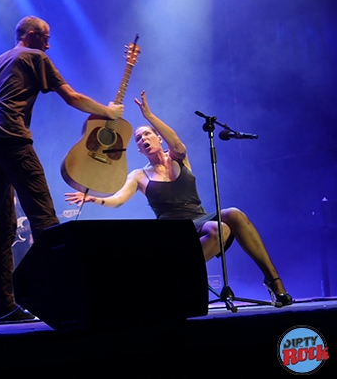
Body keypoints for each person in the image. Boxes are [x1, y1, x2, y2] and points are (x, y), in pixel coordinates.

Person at [65, 91, 293, 307]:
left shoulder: (178, 158)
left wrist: (149, 116)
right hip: (172, 228)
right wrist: (92, 198)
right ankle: (175, 278)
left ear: (158, 139)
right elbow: (117, 199)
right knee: (219, 230)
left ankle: (274, 281)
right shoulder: (138, 175)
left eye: (147, 134)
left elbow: (176, 143)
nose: (143, 138)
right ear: (138, 150)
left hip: (198, 216)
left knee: (233, 214)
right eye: (138, 138)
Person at [0, 15, 124, 322]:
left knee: (3, 224)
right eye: (45, 36)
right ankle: (62, 299)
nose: (49, 44)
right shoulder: (35, 57)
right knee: (45, 219)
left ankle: (3, 305)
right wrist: (108, 111)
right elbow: (72, 97)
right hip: (10, 136)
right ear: (30, 35)